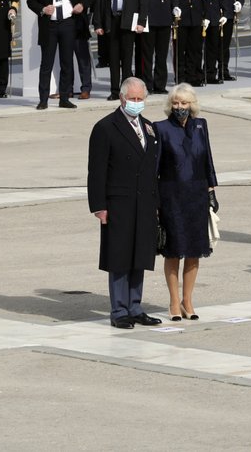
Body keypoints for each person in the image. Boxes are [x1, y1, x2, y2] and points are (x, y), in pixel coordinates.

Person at [87, 77, 163, 329]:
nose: (136, 103)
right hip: (119, 203)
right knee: (119, 257)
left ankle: (135, 307)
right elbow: (96, 171)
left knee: (140, 255)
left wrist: (157, 203)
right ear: (122, 98)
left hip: (144, 202)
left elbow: (153, 169)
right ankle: (119, 310)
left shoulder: (149, 127)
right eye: (132, 98)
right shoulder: (106, 127)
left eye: (140, 99)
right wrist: (99, 206)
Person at [154, 83, 218, 320]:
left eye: (184, 102)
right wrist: (155, 201)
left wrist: (211, 190)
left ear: (192, 104)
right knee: (173, 251)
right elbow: (155, 168)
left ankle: (187, 300)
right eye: (175, 103)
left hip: (197, 195)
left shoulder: (201, 125)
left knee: (194, 251)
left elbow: (207, 159)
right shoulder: (160, 128)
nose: (179, 107)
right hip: (171, 197)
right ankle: (173, 301)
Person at [26, 0, 92, 109]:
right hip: (49, 25)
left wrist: (82, 5)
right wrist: (42, 9)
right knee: (46, 64)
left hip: (68, 24)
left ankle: (64, 97)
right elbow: (31, 1)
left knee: (66, 62)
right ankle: (43, 100)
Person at [95, 0, 147, 100]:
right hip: (111, 19)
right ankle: (114, 91)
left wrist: (141, 21)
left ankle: (126, 92)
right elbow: (99, 1)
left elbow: (143, 0)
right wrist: (98, 23)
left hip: (128, 19)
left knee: (126, 58)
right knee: (113, 57)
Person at [137, 0, 176, 93]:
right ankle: (147, 84)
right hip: (149, 18)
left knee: (162, 54)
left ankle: (160, 85)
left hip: (165, 17)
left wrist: (175, 9)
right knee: (147, 55)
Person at [171, 0, 209, 86]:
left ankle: (195, 76)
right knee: (180, 50)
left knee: (195, 49)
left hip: (196, 16)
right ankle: (180, 77)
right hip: (181, 18)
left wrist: (206, 16)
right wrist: (174, 7)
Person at [63, 0, 96, 99]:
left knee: (83, 59)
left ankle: (86, 88)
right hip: (64, 23)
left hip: (79, 23)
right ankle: (67, 89)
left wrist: (82, 4)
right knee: (66, 59)